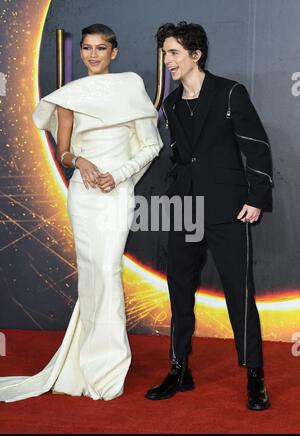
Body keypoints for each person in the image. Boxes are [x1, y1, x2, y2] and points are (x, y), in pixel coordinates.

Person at [0, 23, 163, 402]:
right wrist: (81, 161)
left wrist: (117, 174)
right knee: (91, 275)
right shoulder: (69, 95)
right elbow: (64, 152)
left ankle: (107, 366)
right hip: (84, 194)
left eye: (101, 48)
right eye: (87, 48)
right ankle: (87, 360)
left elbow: (151, 145)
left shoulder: (131, 88)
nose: (93, 54)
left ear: (114, 52)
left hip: (116, 191)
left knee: (108, 270)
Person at [145, 22, 273, 410]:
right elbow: (181, 157)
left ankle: (255, 375)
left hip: (229, 207)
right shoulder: (170, 104)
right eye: (165, 53)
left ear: (195, 55)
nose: (167, 61)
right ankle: (179, 367)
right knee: (179, 289)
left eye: (173, 53)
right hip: (185, 208)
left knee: (239, 291)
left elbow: (257, 147)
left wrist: (257, 196)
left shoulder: (230, 92)